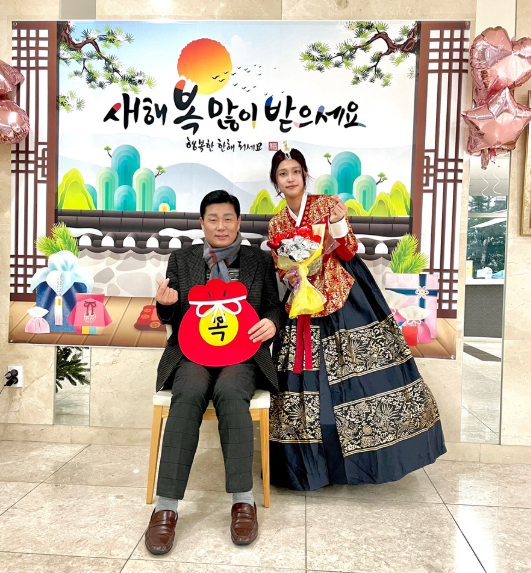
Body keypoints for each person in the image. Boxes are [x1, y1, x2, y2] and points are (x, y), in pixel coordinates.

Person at [267, 146, 446, 491]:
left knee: (357, 379)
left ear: (305, 174)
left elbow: (348, 249)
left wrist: (337, 221)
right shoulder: (277, 222)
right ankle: (311, 468)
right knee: (305, 386)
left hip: (343, 297)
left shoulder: (326, 205)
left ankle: (367, 461)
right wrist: (292, 276)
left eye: (295, 171)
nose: (290, 179)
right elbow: (280, 266)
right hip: (303, 305)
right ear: (276, 181)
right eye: (282, 174)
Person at [145, 190, 282, 554]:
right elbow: (171, 314)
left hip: (242, 355)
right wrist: (165, 305)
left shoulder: (259, 260)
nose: (221, 226)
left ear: (239, 222)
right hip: (192, 355)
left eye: (228, 218)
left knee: (230, 392)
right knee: (188, 392)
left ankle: (243, 502)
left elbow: (273, 306)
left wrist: (271, 322)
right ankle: (166, 508)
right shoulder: (182, 259)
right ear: (202, 223)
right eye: (213, 219)